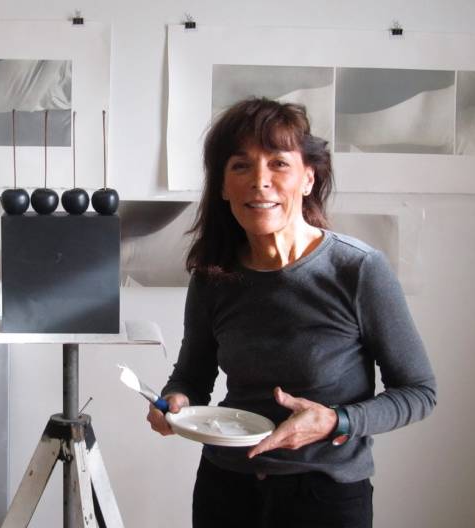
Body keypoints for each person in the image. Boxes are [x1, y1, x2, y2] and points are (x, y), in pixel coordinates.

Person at [147, 97, 437, 528]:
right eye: (241, 166)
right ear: (224, 186)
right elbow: (193, 375)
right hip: (226, 488)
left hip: (324, 494)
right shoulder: (213, 275)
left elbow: (419, 392)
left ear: (307, 178)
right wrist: (175, 401)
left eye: (278, 164)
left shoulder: (358, 269)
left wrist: (336, 420)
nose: (259, 182)